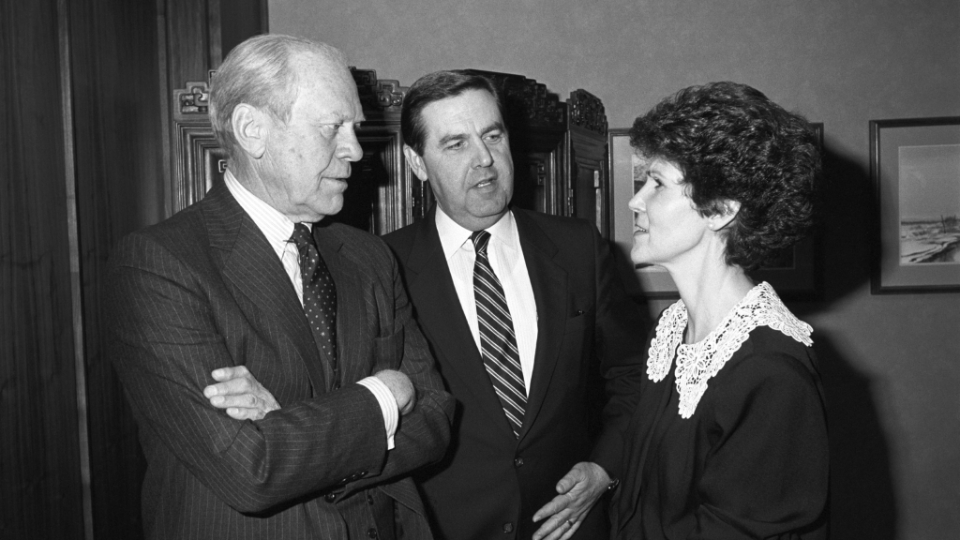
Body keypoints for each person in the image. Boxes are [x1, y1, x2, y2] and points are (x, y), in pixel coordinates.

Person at [105, 34, 453, 540]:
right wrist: (386, 392)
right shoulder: (160, 266)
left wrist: (289, 427)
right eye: (333, 127)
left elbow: (437, 417)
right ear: (253, 130)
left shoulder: (369, 257)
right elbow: (250, 468)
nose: (356, 150)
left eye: (355, 128)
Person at [381, 70, 647, 540]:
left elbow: (634, 375)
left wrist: (605, 467)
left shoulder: (578, 248)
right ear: (417, 163)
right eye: (456, 144)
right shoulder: (383, 267)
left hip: (570, 526)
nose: (484, 159)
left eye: (493, 135)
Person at [611, 81, 829, 539]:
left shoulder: (770, 372)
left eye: (657, 183)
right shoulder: (673, 331)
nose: (635, 200)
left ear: (719, 210)